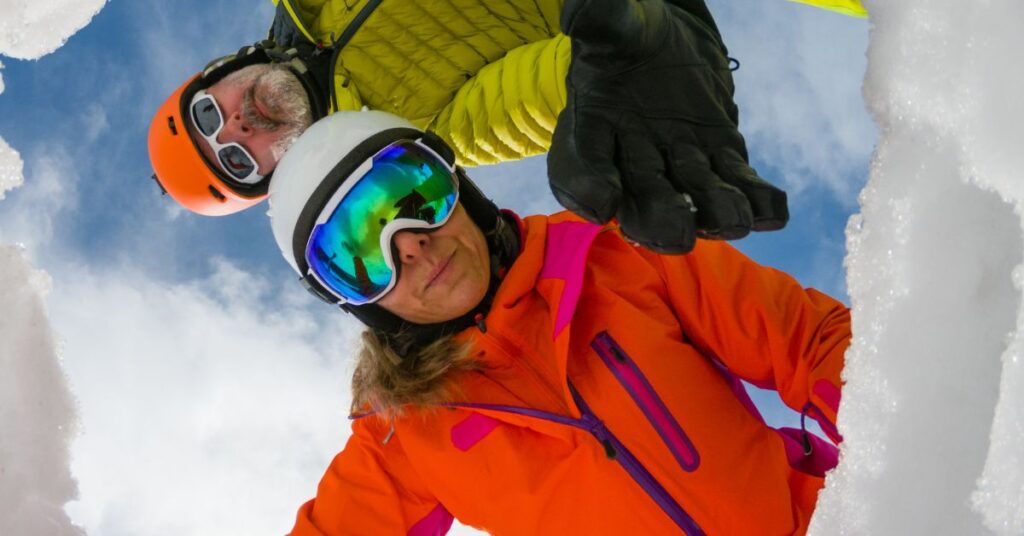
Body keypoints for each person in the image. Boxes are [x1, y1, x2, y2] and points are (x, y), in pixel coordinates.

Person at [266, 110, 850, 535]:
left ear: (457, 187)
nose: (411, 247)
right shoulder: (407, 436)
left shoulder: (616, 251)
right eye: (364, 258)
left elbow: (810, 340)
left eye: (413, 201)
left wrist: (910, 444)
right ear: (360, 303)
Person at [150, 0, 865, 252]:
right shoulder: (418, 131)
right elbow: (540, 94)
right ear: (280, 174)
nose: (240, 125)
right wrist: (616, 67)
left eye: (210, 112)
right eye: (239, 160)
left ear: (222, 69)